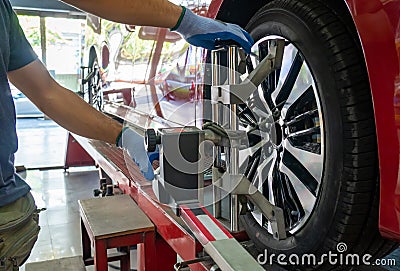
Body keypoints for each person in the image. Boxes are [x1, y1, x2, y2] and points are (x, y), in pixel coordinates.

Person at [0, 0, 253, 269]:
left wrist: (122, 136)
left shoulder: (4, 12)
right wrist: (186, 20)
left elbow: (46, 92)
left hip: (10, 215)